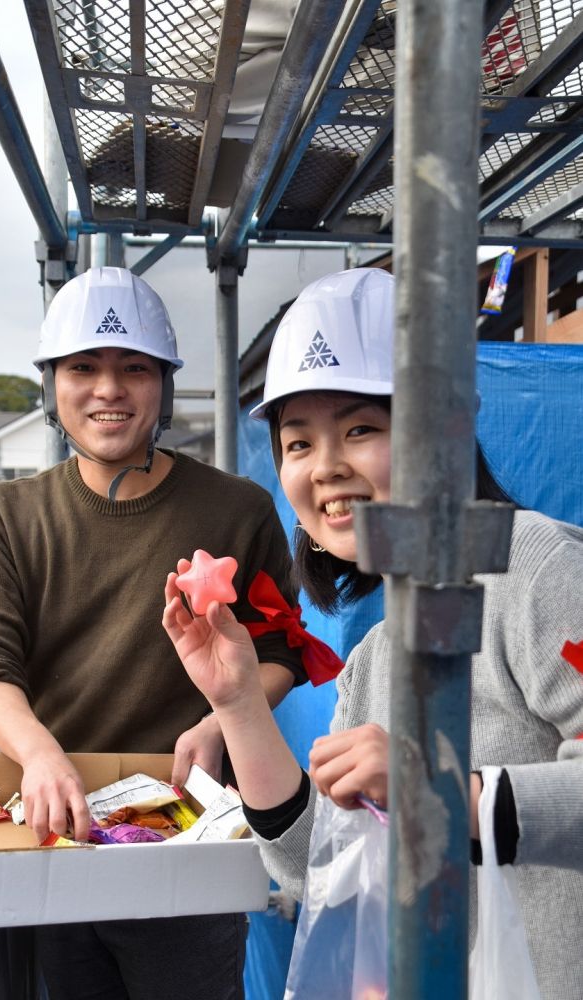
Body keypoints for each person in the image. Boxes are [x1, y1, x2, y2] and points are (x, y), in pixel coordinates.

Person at [163, 266, 583, 999]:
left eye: (360, 428)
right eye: (297, 443)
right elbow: (313, 866)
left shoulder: (537, 568)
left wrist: (445, 795)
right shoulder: (374, 657)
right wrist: (235, 702)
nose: (325, 468)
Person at [0, 266, 308, 1000]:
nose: (108, 389)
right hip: (54, 829)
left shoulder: (237, 510)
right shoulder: (11, 515)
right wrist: (41, 757)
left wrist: (222, 720)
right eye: (83, 367)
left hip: (192, 828)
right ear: (52, 386)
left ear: (163, 385)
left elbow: (281, 650)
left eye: (133, 368)